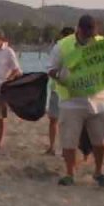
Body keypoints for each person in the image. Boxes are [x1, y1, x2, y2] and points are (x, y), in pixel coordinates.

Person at [49, 15, 104, 187]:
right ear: (79, 29)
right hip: (72, 100)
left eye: (92, 32)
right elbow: (51, 69)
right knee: (69, 139)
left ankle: (99, 171)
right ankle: (70, 173)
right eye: (86, 32)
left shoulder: (102, 43)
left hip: (99, 100)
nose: (89, 36)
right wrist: (63, 78)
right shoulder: (62, 46)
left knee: (100, 139)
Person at [45, 26, 74, 154]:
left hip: (70, 91)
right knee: (54, 119)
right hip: (57, 89)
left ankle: (64, 148)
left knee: (66, 122)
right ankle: (52, 147)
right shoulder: (58, 49)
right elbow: (50, 68)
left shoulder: (76, 50)